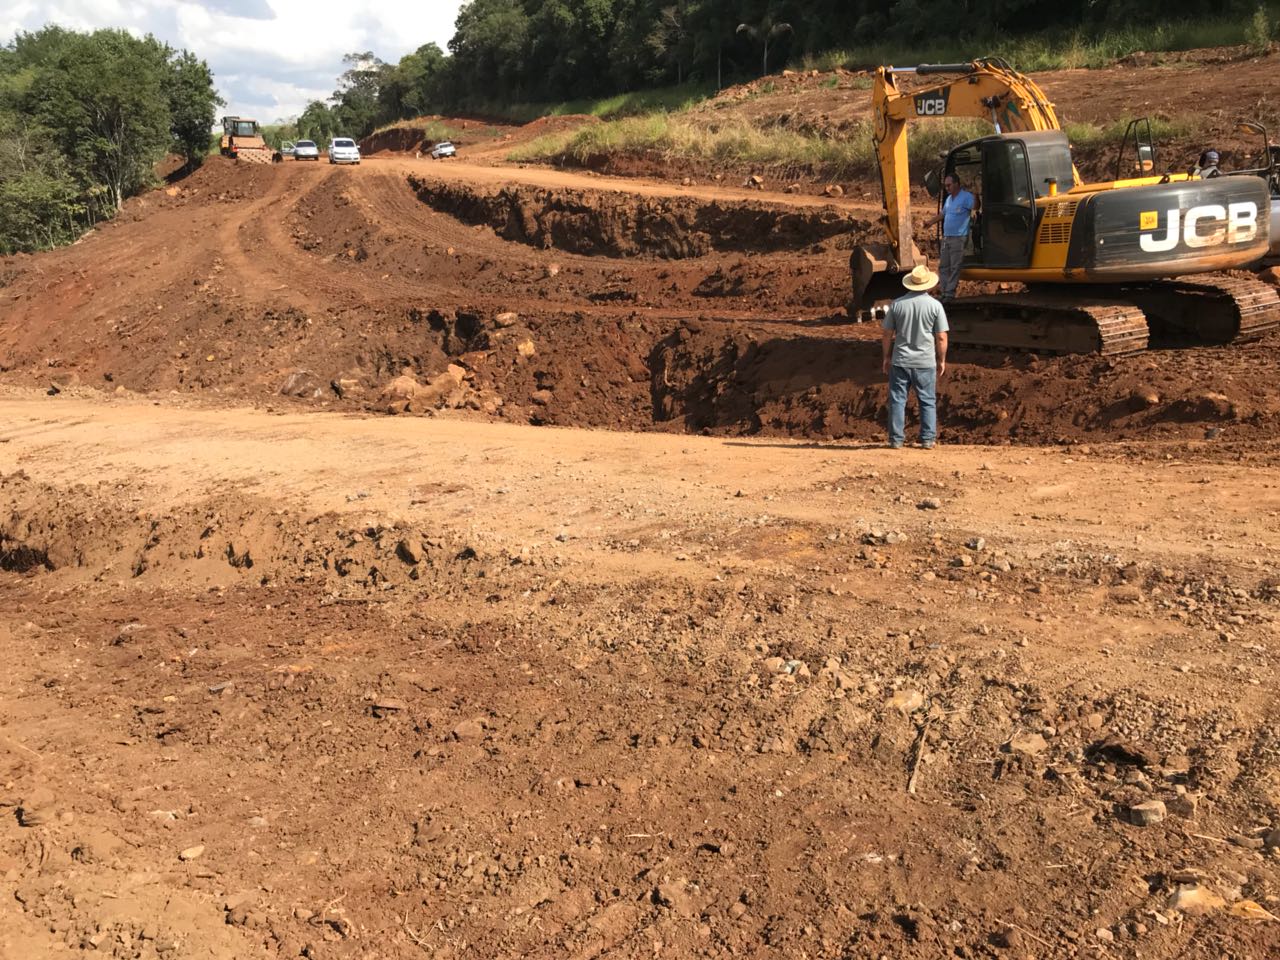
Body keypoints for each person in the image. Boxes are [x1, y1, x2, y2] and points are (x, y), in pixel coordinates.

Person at [881, 264, 949, 449]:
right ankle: (927, 439)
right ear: (928, 284)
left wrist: (886, 357)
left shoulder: (897, 304)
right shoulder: (935, 306)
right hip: (925, 362)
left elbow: (887, 334)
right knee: (927, 400)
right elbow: (941, 336)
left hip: (900, 361)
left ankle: (896, 440)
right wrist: (941, 360)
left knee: (897, 400)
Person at [923, 172, 975, 300]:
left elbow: (975, 207)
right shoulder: (948, 199)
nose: (947, 188)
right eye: (945, 186)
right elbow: (943, 214)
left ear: (956, 184)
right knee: (943, 266)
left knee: (955, 266)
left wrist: (976, 196)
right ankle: (945, 291)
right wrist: (930, 222)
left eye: (949, 185)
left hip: (959, 238)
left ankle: (950, 293)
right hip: (947, 238)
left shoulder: (966, 197)